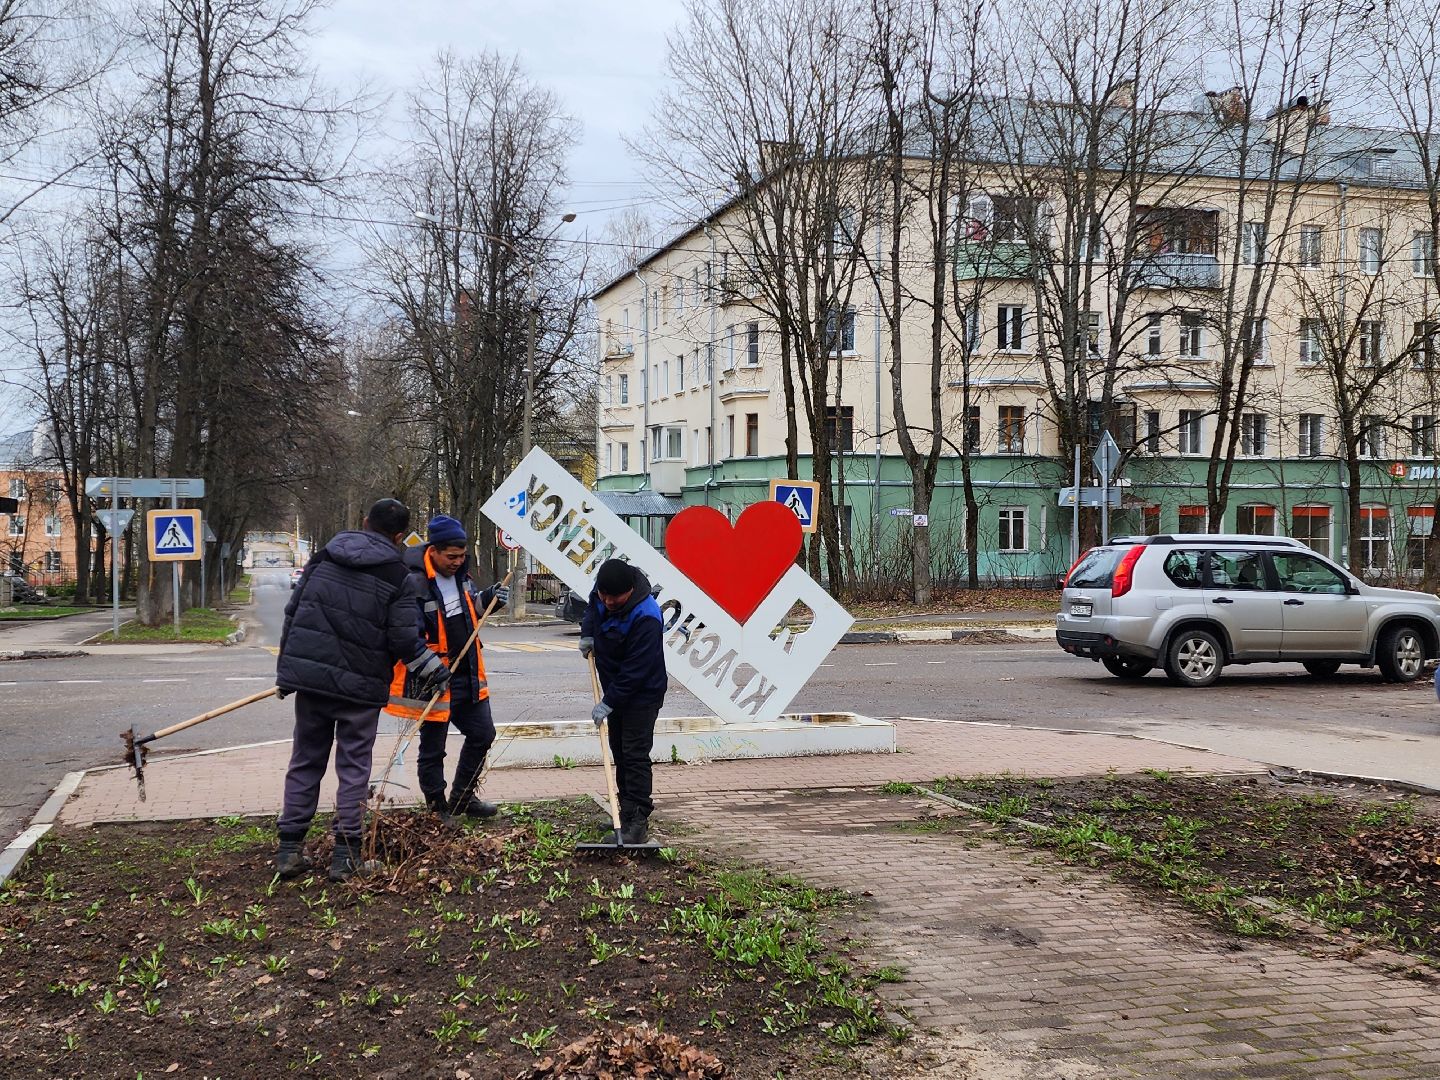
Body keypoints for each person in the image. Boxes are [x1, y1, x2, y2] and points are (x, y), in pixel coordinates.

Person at [273, 498, 449, 882]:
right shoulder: (398, 575)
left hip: (313, 682)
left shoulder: (323, 558)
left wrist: (287, 674)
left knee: (305, 760)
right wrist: (434, 668)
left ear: (365, 522)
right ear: (400, 536)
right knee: (353, 767)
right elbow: (405, 641)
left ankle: (289, 850)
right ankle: (346, 855)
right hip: (360, 687)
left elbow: (293, 614)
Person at [386, 514, 508, 822]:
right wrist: (433, 669)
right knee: (433, 748)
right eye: (451, 556)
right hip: (433, 678)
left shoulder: (462, 575)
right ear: (434, 550)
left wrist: (489, 599)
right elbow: (404, 638)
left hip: (466, 672)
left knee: (483, 734)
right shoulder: (412, 581)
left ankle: (463, 798)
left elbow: (470, 611)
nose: (457, 561)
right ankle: (437, 807)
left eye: (462, 555)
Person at [579, 558, 668, 844]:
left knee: (634, 754)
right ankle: (624, 814)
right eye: (604, 594)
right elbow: (593, 606)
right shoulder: (604, 590)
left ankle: (638, 821)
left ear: (629, 590)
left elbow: (635, 671)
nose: (608, 601)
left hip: (642, 693)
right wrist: (588, 633)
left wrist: (609, 701)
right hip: (616, 687)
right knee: (619, 752)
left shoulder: (647, 616)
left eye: (614, 597)